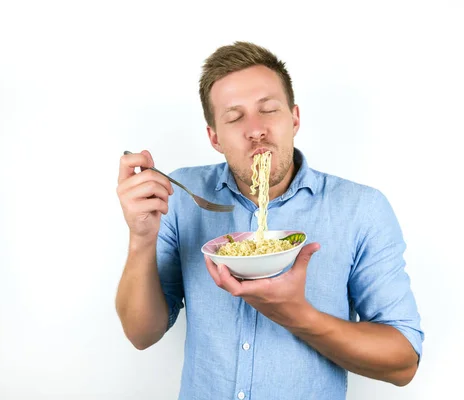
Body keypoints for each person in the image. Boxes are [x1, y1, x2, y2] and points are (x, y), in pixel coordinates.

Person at [115, 41, 424, 400]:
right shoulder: (181, 199)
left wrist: (297, 314)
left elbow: (403, 362)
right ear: (214, 137)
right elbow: (141, 334)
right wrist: (141, 238)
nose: (256, 129)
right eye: (234, 117)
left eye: (269, 110)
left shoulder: (361, 209)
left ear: (294, 118)